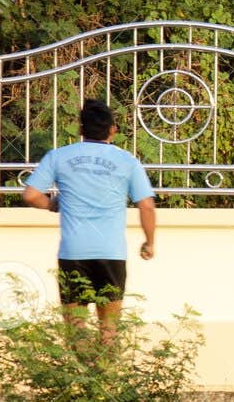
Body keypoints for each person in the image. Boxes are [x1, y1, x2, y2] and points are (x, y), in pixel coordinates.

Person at [20, 99, 158, 343]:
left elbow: (31, 194)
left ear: (80, 129)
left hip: (73, 254)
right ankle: (104, 377)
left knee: (76, 329)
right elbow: (146, 205)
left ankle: (83, 376)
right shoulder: (128, 161)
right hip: (111, 255)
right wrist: (149, 242)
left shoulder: (59, 156)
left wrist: (53, 204)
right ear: (112, 130)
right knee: (109, 331)